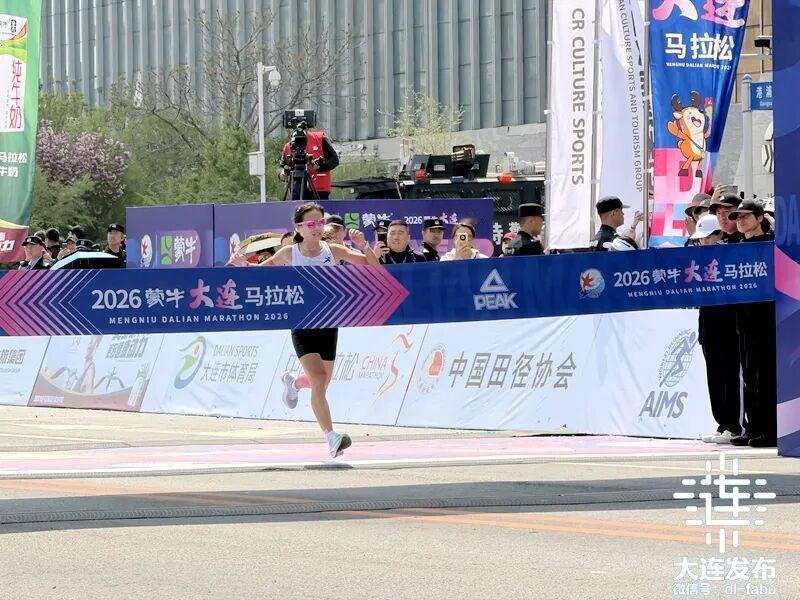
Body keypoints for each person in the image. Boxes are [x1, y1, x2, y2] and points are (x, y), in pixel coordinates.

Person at [230, 202, 380, 458]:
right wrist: (243, 264)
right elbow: (261, 274)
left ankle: (294, 382)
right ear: (298, 227)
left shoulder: (334, 250)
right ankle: (331, 437)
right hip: (302, 324)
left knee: (322, 381)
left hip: (328, 322)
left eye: (320, 222)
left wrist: (364, 245)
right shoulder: (289, 253)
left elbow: (374, 268)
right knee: (319, 381)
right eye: (311, 224)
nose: (317, 228)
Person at [727, 200, 777, 447]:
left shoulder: (771, 244)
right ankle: (752, 426)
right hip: (743, 319)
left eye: (746, 216)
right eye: (737, 217)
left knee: (766, 374)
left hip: (767, 318)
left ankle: (770, 429)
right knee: (748, 375)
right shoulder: (734, 248)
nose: (740, 221)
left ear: (760, 218)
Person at [279, 129, 339, 200]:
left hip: (319, 189)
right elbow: (284, 166)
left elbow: (334, 160)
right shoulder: (287, 147)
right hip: (296, 188)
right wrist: (283, 174)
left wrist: (320, 166)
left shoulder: (319, 139)